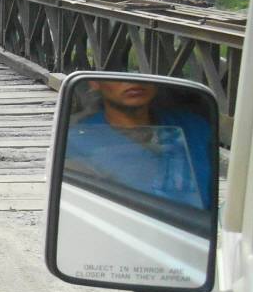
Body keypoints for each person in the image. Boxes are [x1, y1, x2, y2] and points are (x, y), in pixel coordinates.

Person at [64, 80, 214, 210]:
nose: (134, 81)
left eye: (144, 70)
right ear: (95, 83)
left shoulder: (195, 127)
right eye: (118, 74)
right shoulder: (76, 141)